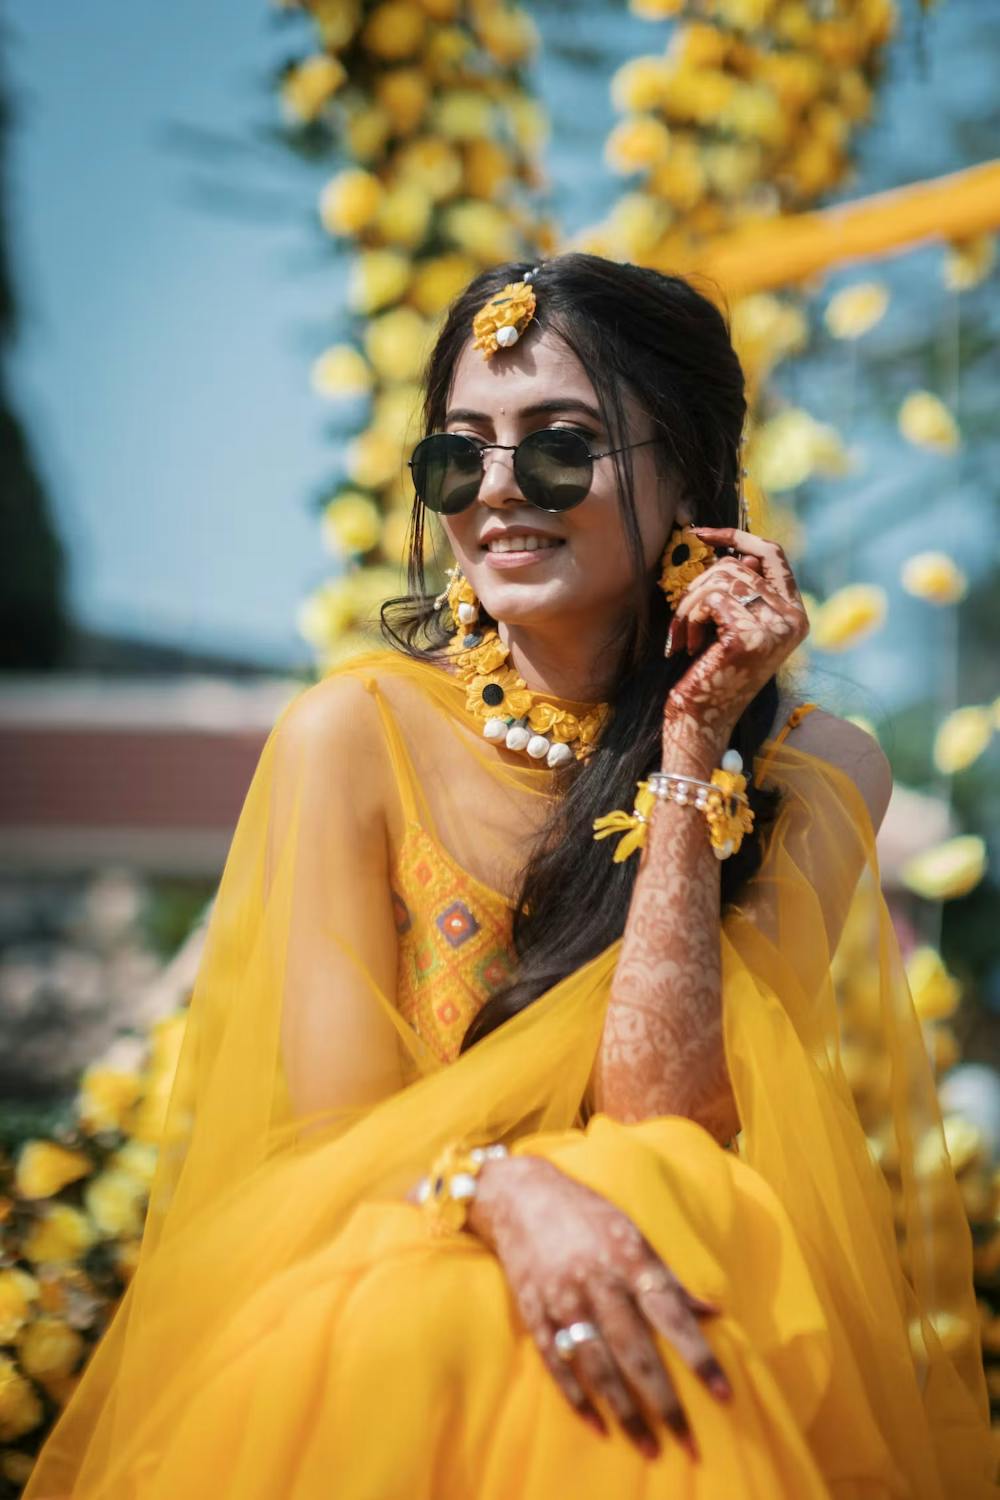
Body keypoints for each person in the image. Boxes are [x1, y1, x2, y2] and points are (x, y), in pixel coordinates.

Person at [25, 254, 995, 1498]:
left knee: (653, 1205)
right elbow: (336, 1143)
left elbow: (664, 1114)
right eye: (456, 457)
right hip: (379, 1341)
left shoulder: (821, 772)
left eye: (557, 449)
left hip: (654, 1314)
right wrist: (516, 1195)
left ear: (689, 477)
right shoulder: (354, 736)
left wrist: (694, 745)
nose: (495, 496)